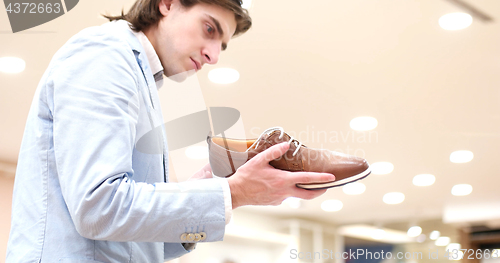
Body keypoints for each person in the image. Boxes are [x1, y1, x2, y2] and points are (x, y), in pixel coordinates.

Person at [6, 0, 334, 262]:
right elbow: (99, 207)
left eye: (221, 44)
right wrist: (232, 193)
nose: (214, 55)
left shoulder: (141, 78)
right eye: (209, 28)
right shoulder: (103, 55)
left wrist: (212, 194)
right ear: (167, 4)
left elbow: (134, 242)